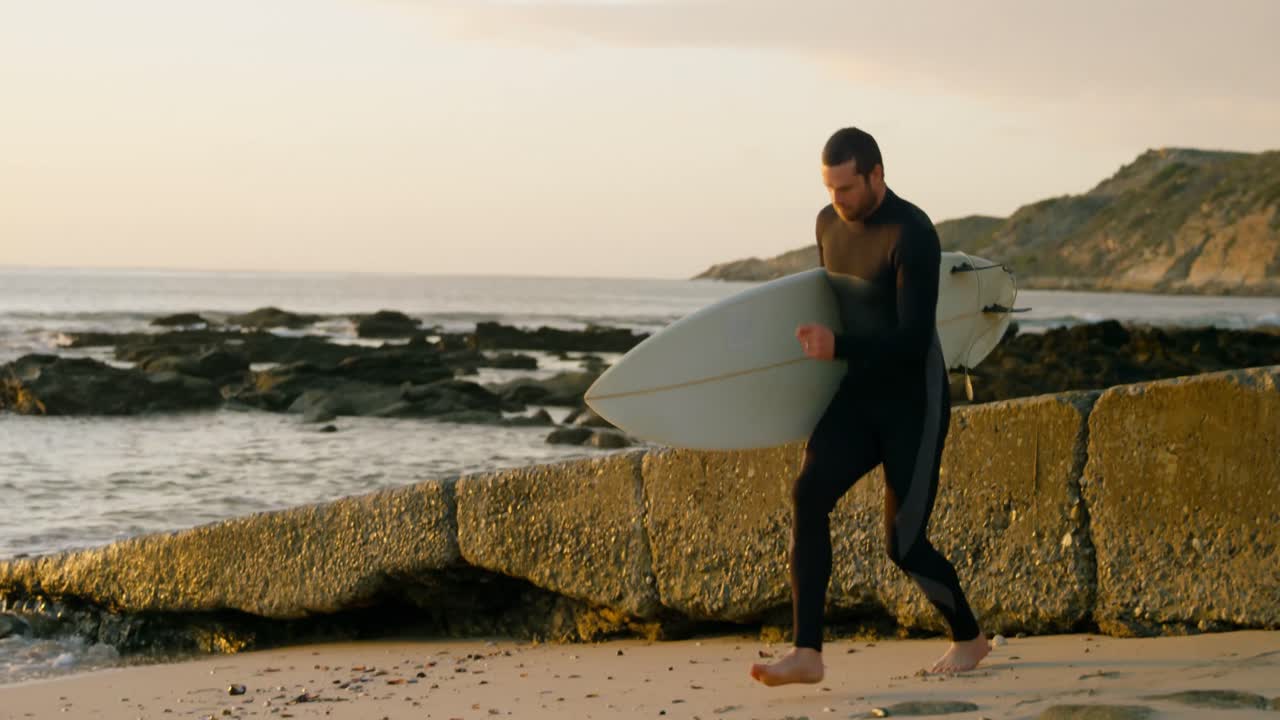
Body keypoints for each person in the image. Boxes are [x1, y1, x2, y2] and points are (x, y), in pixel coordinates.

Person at [749, 127, 989, 686]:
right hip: (860, 395)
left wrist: (839, 348)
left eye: (848, 188)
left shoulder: (913, 233)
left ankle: (969, 637)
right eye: (829, 188)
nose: (838, 201)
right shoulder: (826, 225)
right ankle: (807, 653)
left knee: (903, 545)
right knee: (808, 494)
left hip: (914, 402)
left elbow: (911, 339)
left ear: (877, 174)